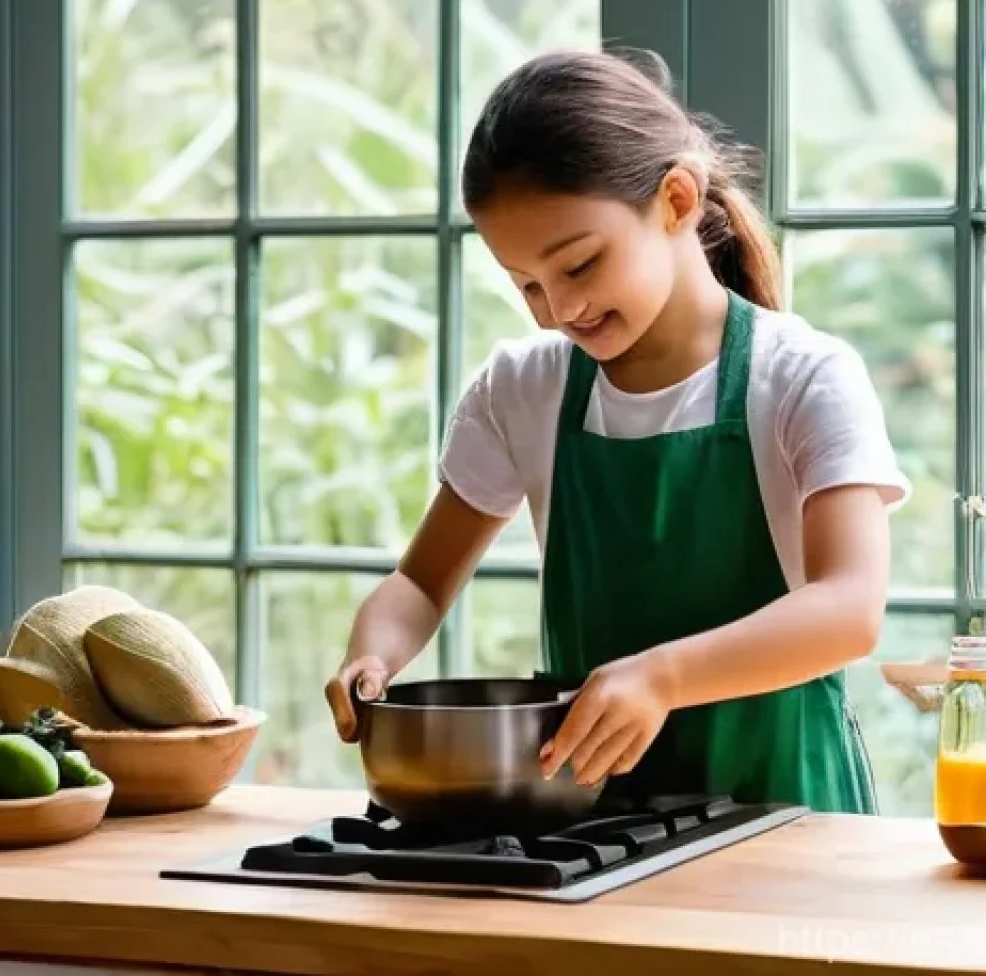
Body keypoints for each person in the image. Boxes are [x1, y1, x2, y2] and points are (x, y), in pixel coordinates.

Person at [324, 49, 910, 814]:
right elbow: (419, 584)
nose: (558, 309)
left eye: (579, 265)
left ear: (675, 200)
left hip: (788, 812)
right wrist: (374, 650)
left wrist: (662, 677)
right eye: (526, 284)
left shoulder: (803, 376)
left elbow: (850, 607)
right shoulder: (523, 389)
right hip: (588, 828)